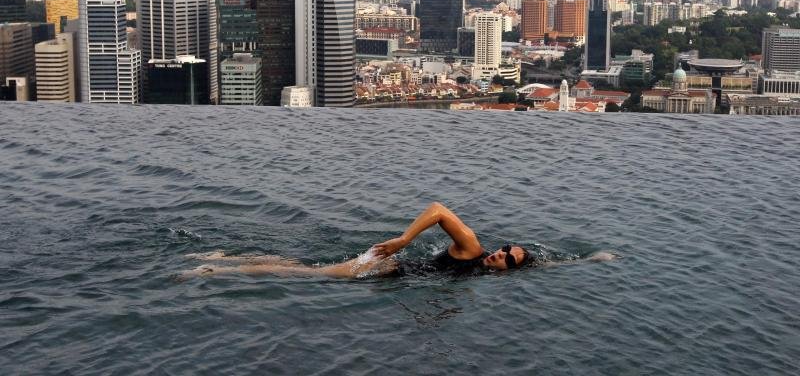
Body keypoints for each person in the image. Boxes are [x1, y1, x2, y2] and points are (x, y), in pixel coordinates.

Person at [180, 202, 616, 280]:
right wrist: (405, 240)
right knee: (299, 274)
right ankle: (214, 270)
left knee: (299, 265)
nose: (500, 254)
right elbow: (439, 209)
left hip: (387, 270)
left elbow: (548, 266)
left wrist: (593, 259)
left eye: (508, 259)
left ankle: (223, 257)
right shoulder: (473, 248)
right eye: (506, 248)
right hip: (384, 265)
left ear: (510, 272)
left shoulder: (489, 275)